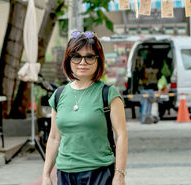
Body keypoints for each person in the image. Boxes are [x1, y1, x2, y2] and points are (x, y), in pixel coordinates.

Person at [42, 31, 128, 185]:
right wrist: (46, 175)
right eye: (76, 56)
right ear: (69, 60)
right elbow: (54, 138)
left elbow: (121, 136)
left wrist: (119, 175)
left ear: (98, 60)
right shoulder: (59, 95)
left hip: (99, 173)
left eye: (89, 57)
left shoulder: (108, 94)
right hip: (65, 174)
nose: (82, 62)